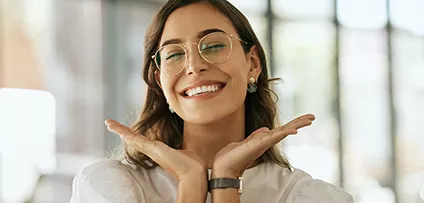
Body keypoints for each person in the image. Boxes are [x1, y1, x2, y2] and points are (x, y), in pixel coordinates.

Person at [70, 0, 355, 202]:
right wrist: (192, 184)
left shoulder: (308, 197)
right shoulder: (110, 187)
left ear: (252, 63)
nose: (194, 65)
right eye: (174, 54)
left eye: (214, 45)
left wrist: (225, 182)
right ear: (160, 82)